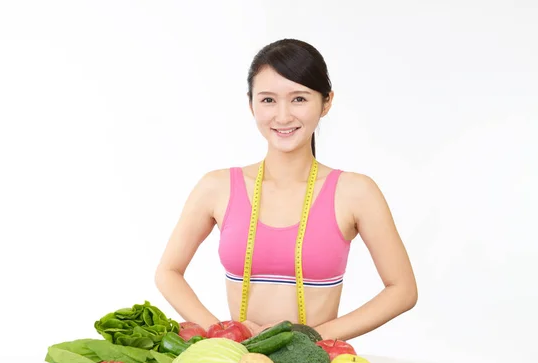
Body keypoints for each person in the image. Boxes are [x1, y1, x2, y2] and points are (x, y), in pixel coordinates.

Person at [154, 38, 418, 340]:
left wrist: (313, 336)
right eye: (268, 100)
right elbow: (168, 272)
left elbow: (403, 290)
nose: (282, 116)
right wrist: (224, 334)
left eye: (299, 99)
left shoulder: (355, 192)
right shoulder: (217, 188)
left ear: (326, 102)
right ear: (250, 103)